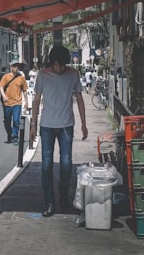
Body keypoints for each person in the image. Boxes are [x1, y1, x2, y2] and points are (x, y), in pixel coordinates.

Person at [30, 46, 87, 217]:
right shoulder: (42, 74)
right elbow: (36, 100)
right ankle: (49, 202)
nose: (60, 68)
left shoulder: (73, 75)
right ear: (51, 63)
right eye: (57, 65)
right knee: (46, 166)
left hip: (66, 125)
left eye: (63, 65)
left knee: (67, 164)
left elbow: (80, 98)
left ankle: (63, 193)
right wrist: (33, 125)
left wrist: (84, 123)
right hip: (47, 125)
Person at [0, 61, 28, 145]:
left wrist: (26, 102)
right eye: (15, 66)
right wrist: (3, 95)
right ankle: (9, 134)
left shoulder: (21, 77)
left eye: (17, 66)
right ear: (11, 67)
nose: (16, 68)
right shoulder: (6, 77)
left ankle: (15, 137)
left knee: (16, 120)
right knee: (7, 120)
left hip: (17, 102)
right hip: (7, 102)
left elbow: (25, 90)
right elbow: (1, 87)